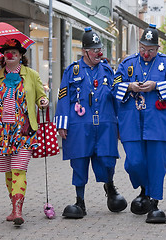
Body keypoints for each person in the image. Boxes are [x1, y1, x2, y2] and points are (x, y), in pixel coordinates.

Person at [113, 24, 166, 224]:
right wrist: (128, 86)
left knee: (156, 164)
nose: (145, 53)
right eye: (143, 49)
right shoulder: (127, 63)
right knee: (134, 162)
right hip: (132, 122)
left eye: (150, 50)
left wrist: (157, 86)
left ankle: (154, 203)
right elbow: (114, 87)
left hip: (159, 124)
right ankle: (145, 189)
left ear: (157, 48)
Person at [55, 27, 127, 219]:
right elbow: (62, 97)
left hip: (105, 124)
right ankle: (80, 201)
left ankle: (110, 187)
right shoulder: (72, 71)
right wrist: (62, 123)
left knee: (108, 158)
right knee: (79, 161)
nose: (98, 53)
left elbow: (116, 97)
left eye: (100, 49)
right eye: (94, 50)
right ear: (84, 52)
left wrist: (120, 122)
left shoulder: (107, 70)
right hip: (80, 124)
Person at [0, 39, 49, 226]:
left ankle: (18, 210)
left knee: (19, 169)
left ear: (20, 56)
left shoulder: (31, 75)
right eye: (7, 52)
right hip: (1, 132)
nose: (10, 55)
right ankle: (13, 208)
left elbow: (40, 96)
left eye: (14, 52)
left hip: (23, 131)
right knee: (8, 171)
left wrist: (43, 101)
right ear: (4, 56)